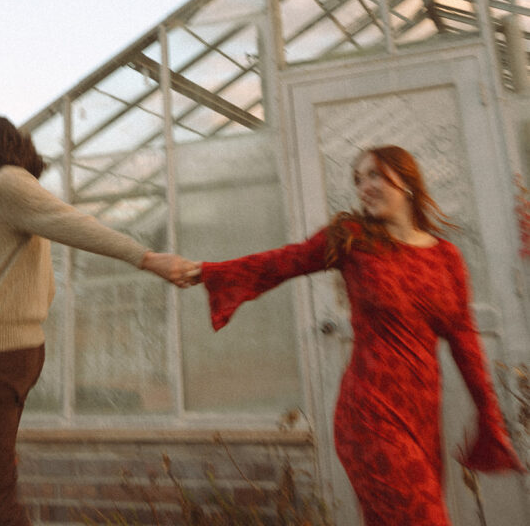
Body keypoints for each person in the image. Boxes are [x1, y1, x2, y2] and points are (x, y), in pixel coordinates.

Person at [182, 145, 525, 526]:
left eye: (374, 175)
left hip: (423, 415)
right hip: (370, 414)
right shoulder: (353, 238)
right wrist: (205, 272)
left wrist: (490, 419)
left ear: (407, 181)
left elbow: (465, 343)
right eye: (358, 180)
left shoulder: (446, 257)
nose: (364, 187)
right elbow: (284, 260)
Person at [0, 114, 195, 526]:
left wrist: (147, 258)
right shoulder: (21, 188)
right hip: (18, 349)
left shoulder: (8, 183)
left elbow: (75, 225)